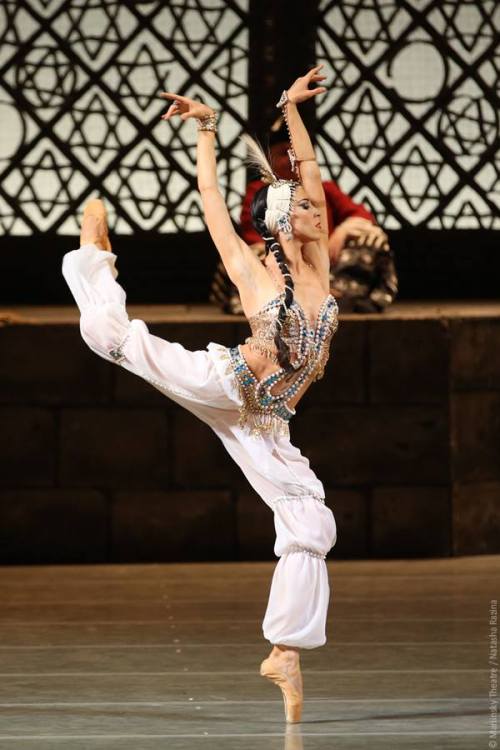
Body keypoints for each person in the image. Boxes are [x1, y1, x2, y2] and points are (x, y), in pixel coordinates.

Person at [61, 65, 338, 724]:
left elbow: (309, 167)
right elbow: (211, 195)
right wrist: (208, 130)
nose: (313, 206)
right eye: (300, 204)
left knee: (310, 521)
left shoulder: (320, 265)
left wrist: (291, 109)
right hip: (224, 383)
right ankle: (93, 257)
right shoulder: (252, 270)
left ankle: (285, 652)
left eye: (310, 202)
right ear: (281, 221)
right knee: (112, 336)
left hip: (266, 420)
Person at [211, 124, 398, 314]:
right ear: (272, 159)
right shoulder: (261, 192)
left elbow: (363, 216)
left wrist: (341, 232)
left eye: (295, 153)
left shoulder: (324, 189)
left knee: (372, 236)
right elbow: (255, 236)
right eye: (284, 153)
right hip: (280, 263)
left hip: (328, 265)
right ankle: (273, 300)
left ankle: (346, 296)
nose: (291, 159)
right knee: (247, 254)